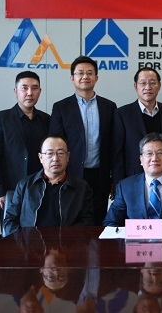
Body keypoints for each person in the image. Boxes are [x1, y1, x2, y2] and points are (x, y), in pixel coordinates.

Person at [49, 56, 116, 225]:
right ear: (72, 78)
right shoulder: (61, 107)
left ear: (96, 77)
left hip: (100, 175)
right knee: (72, 221)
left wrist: (114, 178)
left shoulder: (109, 107)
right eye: (80, 73)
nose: (85, 76)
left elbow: (114, 145)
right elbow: (56, 143)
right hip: (71, 175)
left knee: (98, 220)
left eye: (89, 73)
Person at [0, 71, 50, 227]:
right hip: (11, 189)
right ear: (16, 91)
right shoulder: (0, 119)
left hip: (41, 188)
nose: (29, 93)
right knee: (11, 234)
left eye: (34, 88)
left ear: (40, 91)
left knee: (40, 232)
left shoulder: (46, 119)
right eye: (24, 88)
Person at [3, 136, 94, 236]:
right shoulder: (25, 185)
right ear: (40, 157)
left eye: (60, 153)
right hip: (30, 244)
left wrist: (65, 240)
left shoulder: (81, 187)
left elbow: (87, 222)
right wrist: (23, 241)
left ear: (68, 156)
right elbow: (10, 221)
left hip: (66, 244)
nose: (55, 159)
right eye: (49, 153)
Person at [112, 67, 162, 184]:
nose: (148, 87)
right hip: (132, 179)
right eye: (143, 83)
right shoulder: (122, 114)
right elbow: (117, 154)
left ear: (159, 85)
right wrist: (118, 183)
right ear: (136, 86)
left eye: (152, 83)